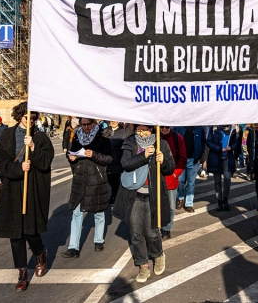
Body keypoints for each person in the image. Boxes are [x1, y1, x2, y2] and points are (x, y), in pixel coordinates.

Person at [0, 103, 54, 291]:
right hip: (13, 187)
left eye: (34, 117)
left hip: (32, 187)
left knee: (30, 229)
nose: (31, 120)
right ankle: (22, 271)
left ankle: (39, 252)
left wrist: (34, 148)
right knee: (15, 233)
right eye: (28, 117)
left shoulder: (41, 138)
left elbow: (45, 162)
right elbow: (3, 164)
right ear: (20, 116)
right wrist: (19, 168)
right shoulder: (6, 136)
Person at [112, 124, 175, 283]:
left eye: (144, 130)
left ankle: (158, 255)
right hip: (134, 195)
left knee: (152, 232)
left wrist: (163, 161)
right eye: (138, 130)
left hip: (153, 195)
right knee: (135, 233)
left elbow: (170, 168)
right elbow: (126, 164)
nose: (141, 133)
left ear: (151, 129)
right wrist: (144, 156)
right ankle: (143, 265)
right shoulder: (130, 142)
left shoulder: (161, 143)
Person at [61, 117, 113, 257]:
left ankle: (98, 240)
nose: (86, 127)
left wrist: (94, 155)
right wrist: (72, 158)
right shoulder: (77, 135)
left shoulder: (103, 135)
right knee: (77, 213)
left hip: (97, 179)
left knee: (99, 211)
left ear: (94, 123)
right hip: (80, 178)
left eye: (88, 124)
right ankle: (73, 248)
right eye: (83, 125)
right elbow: (72, 152)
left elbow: (109, 158)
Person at [159, 126, 187, 239]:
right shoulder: (153, 138)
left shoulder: (177, 138)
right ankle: (156, 227)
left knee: (170, 206)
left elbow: (183, 158)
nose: (164, 129)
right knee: (155, 205)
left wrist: (175, 174)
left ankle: (166, 229)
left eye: (167, 127)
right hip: (155, 178)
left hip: (171, 178)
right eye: (162, 127)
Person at [173, 126, 206, 213]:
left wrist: (200, 156)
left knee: (191, 183)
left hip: (193, 159)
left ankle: (189, 204)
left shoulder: (199, 128)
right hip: (181, 159)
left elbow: (203, 142)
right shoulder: (179, 127)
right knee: (180, 180)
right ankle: (180, 199)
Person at [206, 125, 240, 211]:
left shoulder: (232, 129)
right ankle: (219, 201)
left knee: (227, 179)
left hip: (227, 158)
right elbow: (208, 142)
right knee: (217, 181)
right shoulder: (214, 128)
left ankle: (225, 199)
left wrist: (231, 147)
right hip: (216, 157)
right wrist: (218, 148)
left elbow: (236, 143)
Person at [105, 121, 132, 205]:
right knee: (109, 178)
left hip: (118, 159)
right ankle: (116, 194)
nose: (113, 122)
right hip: (106, 158)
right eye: (111, 121)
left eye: (114, 121)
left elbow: (126, 144)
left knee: (115, 178)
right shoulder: (105, 131)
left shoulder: (123, 132)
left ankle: (114, 196)